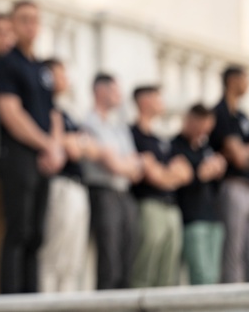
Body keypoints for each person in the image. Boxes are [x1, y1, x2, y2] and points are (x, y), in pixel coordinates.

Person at [0, 0, 65, 294]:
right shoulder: (7, 62)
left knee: (37, 235)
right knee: (18, 230)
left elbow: (54, 112)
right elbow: (9, 111)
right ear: (13, 24)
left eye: (35, 20)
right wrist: (47, 144)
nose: (30, 25)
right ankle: (12, 299)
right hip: (18, 156)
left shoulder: (41, 68)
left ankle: (33, 299)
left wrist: (55, 148)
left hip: (44, 159)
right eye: (23, 20)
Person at [36, 58, 97, 292]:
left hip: (78, 186)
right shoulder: (47, 109)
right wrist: (76, 143)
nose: (65, 79)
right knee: (55, 254)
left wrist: (77, 143)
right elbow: (68, 147)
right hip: (60, 185)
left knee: (73, 259)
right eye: (60, 73)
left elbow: (90, 148)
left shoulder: (66, 112)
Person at [80, 72, 144, 290]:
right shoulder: (88, 123)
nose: (120, 96)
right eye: (115, 90)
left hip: (124, 195)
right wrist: (120, 163)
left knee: (127, 261)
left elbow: (135, 167)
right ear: (101, 91)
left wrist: (119, 163)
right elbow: (113, 164)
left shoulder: (119, 127)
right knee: (110, 261)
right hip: (103, 192)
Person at [128, 85, 192, 288]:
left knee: (168, 272)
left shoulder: (160, 139)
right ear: (145, 101)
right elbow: (154, 176)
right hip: (149, 205)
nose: (162, 102)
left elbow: (186, 173)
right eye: (157, 97)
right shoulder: (133, 134)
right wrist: (168, 174)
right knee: (146, 266)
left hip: (171, 207)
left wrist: (165, 174)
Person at [210, 65, 249, 283]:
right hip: (232, 186)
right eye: (245, 79)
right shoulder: (220, 112)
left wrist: (245, 151)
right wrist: (247, 152)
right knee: (233, 250)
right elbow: (238, 157)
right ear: (233, 81)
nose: (248, 84)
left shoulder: (243, 116)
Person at [172, 103, 227, 285]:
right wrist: (200, 174)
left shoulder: (205, 148)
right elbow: (182, 180)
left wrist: (218, 170)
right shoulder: (175, 146)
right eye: (201, 128)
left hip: (213, 218)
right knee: (201, 276)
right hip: (193, 219)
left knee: (213, 277)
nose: (204, 133)